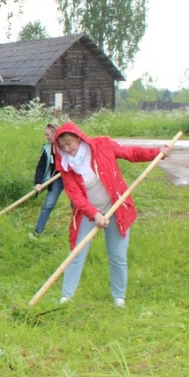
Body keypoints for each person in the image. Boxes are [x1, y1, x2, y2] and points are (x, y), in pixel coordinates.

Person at [53, 122, 172, 308]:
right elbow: (76, 197)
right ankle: (66, 297)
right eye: (62, 146)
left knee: (117, 255)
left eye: (69, 143)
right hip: (88, 213)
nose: (67, 149)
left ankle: (119, 298)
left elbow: (131, 153)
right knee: (76, 253)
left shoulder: (102, 145)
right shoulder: (66, 167)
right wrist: (95, 214)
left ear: (79, 137)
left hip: (116, 208)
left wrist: (157, 152)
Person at [30, 123, 62, 238]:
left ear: (55, 134)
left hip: (70, 177)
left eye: (48, 135)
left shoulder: (66, 144)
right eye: (45, 134)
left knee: (76, 205)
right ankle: (38, 231)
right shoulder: (47, 148)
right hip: (56, 178)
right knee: (48, 205)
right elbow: (41, 166)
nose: (46, 137)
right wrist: (38, 182)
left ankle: (78, 231)